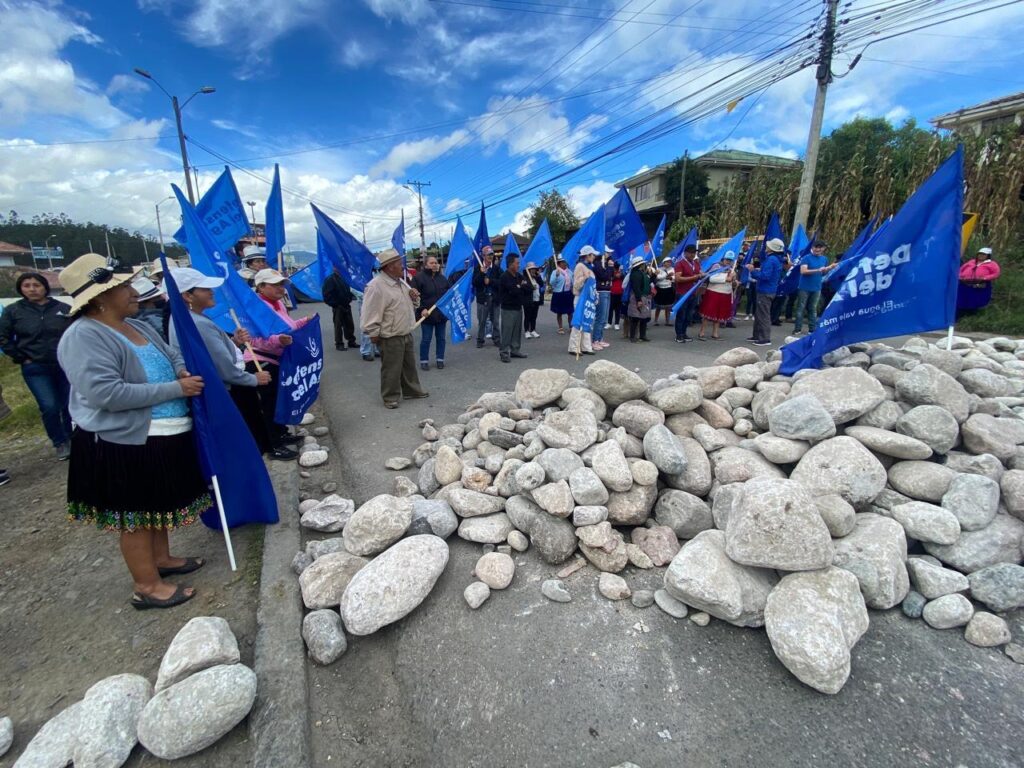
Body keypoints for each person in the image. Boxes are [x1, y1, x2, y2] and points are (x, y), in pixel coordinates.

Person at [57, 253, 208, 610]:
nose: (132, 292)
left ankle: (162, 560)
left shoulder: (136, 325)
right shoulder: (83, 336)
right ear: (99, 298)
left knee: (155, 505)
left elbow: (170, 355)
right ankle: (146, 585)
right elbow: (106, 395)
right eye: (122, 287)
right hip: (122, 440)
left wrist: (181, 371)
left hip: (158, 435)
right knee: (136, 515)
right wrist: (176, 390)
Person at [167, 268, 277, 456]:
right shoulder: (197, 323)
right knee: (245, 443)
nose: (212, 292)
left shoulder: (188, 318)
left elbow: (212, 353)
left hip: (218, 390)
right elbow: (222, 367)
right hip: (227, 391)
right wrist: (253, 379)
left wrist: (234, 342)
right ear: (187, 295)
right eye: (205, 288)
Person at [0, 271, 73, 459]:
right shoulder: (14, 311)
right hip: (35, 367)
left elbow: (73, 333)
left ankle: (73, 438)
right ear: (21, 289)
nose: (32, 289)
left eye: (36, 285)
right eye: (27, 286)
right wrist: (21, 357)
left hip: (63, 364)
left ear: (45, 287)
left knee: (68, 404)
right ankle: (59, 442)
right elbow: (3, 337)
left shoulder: (62, 308)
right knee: (49, 405)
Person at [247, 269, 309, 457]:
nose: (280, 288)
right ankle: (272, 445)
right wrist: (277, 341)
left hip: (279, 359)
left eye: (281, 284)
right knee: (268, 404)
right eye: (275, 285)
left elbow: (287, 328)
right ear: (261, 287)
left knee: (278, 400)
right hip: (261, 361)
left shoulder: (278, 304)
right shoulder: (254, 309)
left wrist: (305, 322)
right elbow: (252, 340)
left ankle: (280, 433)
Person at [361, 249, 429, 409]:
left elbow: (409, 305)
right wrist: (373, 333)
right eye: (399, 263)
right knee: (391, 368)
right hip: (389, 335)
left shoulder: (401, 282)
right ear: (390, 266)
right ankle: (390, 396)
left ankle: (411, 390)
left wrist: (414, 298)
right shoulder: (376, 286)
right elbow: (370, 313)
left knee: (408, 366)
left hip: (405, 331)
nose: (402, 266)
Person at [411, 255, 450, 370]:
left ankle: (440, 359)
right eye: (432, 263)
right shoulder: (418, 278)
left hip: (440, 315)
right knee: (426, 339)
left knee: (441, 338)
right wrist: (422, 308)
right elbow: (415, 297)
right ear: (426, 265)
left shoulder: (443, 279)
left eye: (436, 263)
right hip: (426, 315)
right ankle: (424, 360)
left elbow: (448, 294)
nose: (435, 265)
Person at [793, 241, 835, 335]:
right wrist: (818, 270)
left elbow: (823, 273)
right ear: (812, 248)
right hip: (804, 287)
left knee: (813, 308)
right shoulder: (806, 258)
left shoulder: (824, 259)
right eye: (816, 247)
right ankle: (797, 329)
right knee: (801, 308)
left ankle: (812, 329)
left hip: (817, 287)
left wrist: (828, 269)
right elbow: (803, 271)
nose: (817, 249)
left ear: (823, 249)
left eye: (820, 247)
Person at [748, 238, 784, 347]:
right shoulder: (777, 259)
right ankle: (757, 335)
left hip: (765, 290)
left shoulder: (771, 259)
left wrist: (753, 271)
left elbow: (765, 276)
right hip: (769, 289)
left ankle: (764, 338)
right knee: (760, 313)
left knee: (763, 314)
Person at [497, 253, 531, 363]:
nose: (519, 265)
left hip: (518, 307)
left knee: (516, 331)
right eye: (517, 263)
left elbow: (529, 287)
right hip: (508, 309)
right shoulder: (504, 277)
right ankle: (504, 352)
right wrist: (520, 286)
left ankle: (515, 350)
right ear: (510, 264)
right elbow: (513, 291)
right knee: (507, 331)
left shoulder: (518, 276)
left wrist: (520, 286)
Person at [697, 256, 737, 341]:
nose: (728, 262)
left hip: (725, 293)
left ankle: (715, 333)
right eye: (727, 260)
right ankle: (702, 332)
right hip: (713, 292)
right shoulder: (716, 266)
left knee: (719, 314)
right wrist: (726, 278)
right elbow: (711, 278)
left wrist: (734, 281)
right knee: (708, 312)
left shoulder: (732, 269)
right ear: (723, 259)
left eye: (730, 260)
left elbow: (732, 283)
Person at [569, 246, 598, 354]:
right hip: (580, 298)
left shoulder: (590, 267)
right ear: (587, 255)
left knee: (587, 322)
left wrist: (595, 296)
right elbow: (576, 285)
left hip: (588, 299)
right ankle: (574, 347)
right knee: (578, 322)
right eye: (593, 254)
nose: (594, 256)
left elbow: (593, 285)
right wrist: (585, 278)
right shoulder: (579, 266)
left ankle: (586, 346)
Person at [322, 268, 357, 351]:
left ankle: (351, 341)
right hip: (337, 306)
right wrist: (335, 304)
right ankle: (339, 343)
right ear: (334, 267)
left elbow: (349, 290)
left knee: (349, 324)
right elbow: (326, 294)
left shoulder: (344, 277)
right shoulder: (330, 279)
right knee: (338, 325)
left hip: (346, 304)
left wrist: (350, 298)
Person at [473, 247, 501, 349]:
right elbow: (474, 283)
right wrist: (481, 274)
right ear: (483, 256)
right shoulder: (478, 268)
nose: (490, 256)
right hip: (482, 299)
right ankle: (480, 340)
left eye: (492, 254)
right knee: (482, 321)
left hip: (495, 299)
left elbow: (501, 282)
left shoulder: (497, 268)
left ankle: (496, 339)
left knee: (496, 321)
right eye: (488, 254)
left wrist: (491, 281)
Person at [673, 244, 702, 343]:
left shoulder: (696, 263)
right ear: (685, 253)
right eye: (690, 253)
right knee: (681, 314)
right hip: (682, 293)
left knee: (689, 315)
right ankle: (678, 335)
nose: (693, 254)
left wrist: (703, 275)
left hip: (693, 293)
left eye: (694, 253)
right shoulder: (680, 263)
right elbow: (677, 278)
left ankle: (684, 333)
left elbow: (699, 274)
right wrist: (694, 277)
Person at [627, 256, 653, 343]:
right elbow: (636, 288)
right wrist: (639, 300)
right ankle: (633, 336)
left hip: (644, 297)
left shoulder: (642, 273)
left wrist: (654, 275)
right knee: (635, 317)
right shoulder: (635, 274)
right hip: (638, 297)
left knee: (644, 317)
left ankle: (642, 335)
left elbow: (648, 283)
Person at [592, 246, 614, 347]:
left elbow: (610, 275)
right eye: (607, 253)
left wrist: (610, 267)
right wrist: (609, 267)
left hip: (607, 290)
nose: (609, 255)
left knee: (604, 318)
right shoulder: (597, 263)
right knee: (600, 317)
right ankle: (595, 340)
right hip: (600, 291)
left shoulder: (604, 263)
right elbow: (604, 276)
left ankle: (600, 338)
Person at [548, 256, 573, 334]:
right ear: (558, 264)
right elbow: (551, 283)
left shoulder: (570, 272)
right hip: (558, 293)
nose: (564, 263)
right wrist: (556, 276)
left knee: (570, 311)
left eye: (565, 262)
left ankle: (571, 326)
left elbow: (572, 282)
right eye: (562, 262)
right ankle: (560, 327)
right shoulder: (555, 272)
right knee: (559, 312)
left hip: (568, 293)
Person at [523, 262, 544, 338]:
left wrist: (538, 276)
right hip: (528, 300)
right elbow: (524, 288)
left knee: (534, 316)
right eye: (531, 269)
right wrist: (532, 288)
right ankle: (526, 331)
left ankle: (533, 330)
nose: (533, 270)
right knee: (527, 316)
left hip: (536, 299)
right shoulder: (524, 278)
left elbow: (541, 284)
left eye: (534, 269)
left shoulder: (536, 277)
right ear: (528, 270)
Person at [653, 258, 676, 326]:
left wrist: (670, 277)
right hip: (660, 288)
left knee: (668, 306)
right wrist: (667, 275)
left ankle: (667, 321)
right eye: (667, 262)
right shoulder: (659, 269)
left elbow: (674, 278)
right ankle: (656, 320)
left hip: (668, 288)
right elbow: (658, 277)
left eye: (670, 262)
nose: (669, 263)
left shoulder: (672, 269)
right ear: (663, 262)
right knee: (658, 306)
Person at [610, 263, 625, 330]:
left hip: (620, 293)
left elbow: (623, 278)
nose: (617, 268)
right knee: (610, 309)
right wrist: (615, 276)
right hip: (612, 292)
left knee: (618, 309)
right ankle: (609, 323)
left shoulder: (622, 273)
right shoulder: (611, 272)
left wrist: (620, 275)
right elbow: (610, 279)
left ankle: (617, 323)